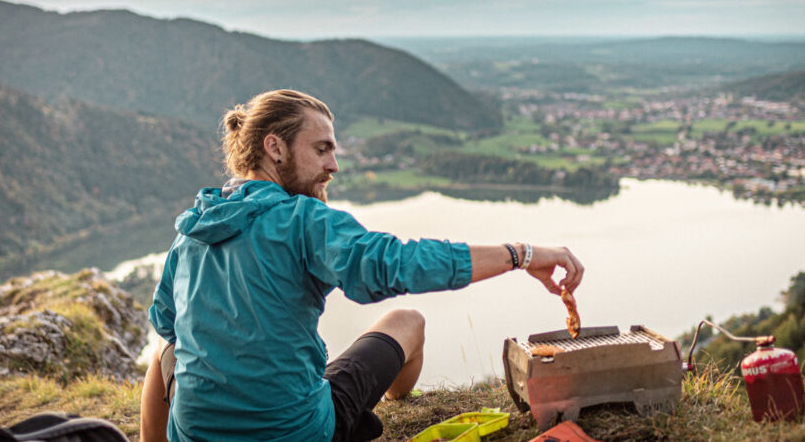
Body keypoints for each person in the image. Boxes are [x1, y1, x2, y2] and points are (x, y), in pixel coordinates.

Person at [140, 89, 584, 442]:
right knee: (407, 320)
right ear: (274, 147)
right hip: (296, 432)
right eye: (321, 149)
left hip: (194, 434)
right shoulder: (303, 221)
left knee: (165, 350)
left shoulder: (193, 230)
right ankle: (395, 397)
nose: (333, 165)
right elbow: (399, 263)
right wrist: (521, 254)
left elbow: (167, 323)